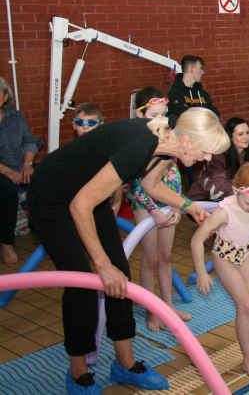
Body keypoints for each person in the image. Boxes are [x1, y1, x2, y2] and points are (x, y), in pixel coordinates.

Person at [28, 108, 228, 394]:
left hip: (86, 194)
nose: (207, 159)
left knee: (121, 275)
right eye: (205, 152)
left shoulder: (167, 145)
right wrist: (101, 265)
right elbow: (79, 206)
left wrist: (188, 205)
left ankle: (125, 363)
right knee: (82, 284)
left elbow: (150, 184)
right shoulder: (139, 146)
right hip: (52, 197)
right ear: (186, 141)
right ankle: (79, 373)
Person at [191, 162, 249, 379]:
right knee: (245, 305)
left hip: (245, 253)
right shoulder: (224, 212)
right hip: (224, 258)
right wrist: (201, 272)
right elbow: (197, 240)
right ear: (235, 191)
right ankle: (247, 359)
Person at [124, 87, 191, 331]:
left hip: (168, 202)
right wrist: (153, 211)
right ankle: (153, 311)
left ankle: (168, 305)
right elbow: (137, 183)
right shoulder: (137, 142)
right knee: (150, 260)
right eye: (154, 116)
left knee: (166, 257)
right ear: (140, 115)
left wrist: (177, 204)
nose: (160, 120)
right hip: (146, 206)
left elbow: (175, 174)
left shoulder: (168, 136)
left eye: (163, 115)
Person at [0, 77, 42, 266]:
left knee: (47, 179)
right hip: (2, 171)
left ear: (5, 96)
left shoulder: (16, 117)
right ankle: (6, 244)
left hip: (20, 166)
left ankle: (45, 234)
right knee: (7, 190)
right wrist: (9, 173)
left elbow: (29, 141)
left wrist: (28, 164)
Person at [188, 117, 249, 201]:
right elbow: (219, 184)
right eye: (240, 134)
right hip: (204, 198)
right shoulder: (220, 153)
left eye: (247, 133)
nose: (246, 137)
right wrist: (243, 191)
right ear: (230, 136)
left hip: (231, 194)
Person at [167, 55, 219, 127]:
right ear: (191, 69)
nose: (203, 72)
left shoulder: (202, 93)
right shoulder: (174, 94)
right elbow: (179, 120)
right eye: (200, 68)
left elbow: (215, 114)